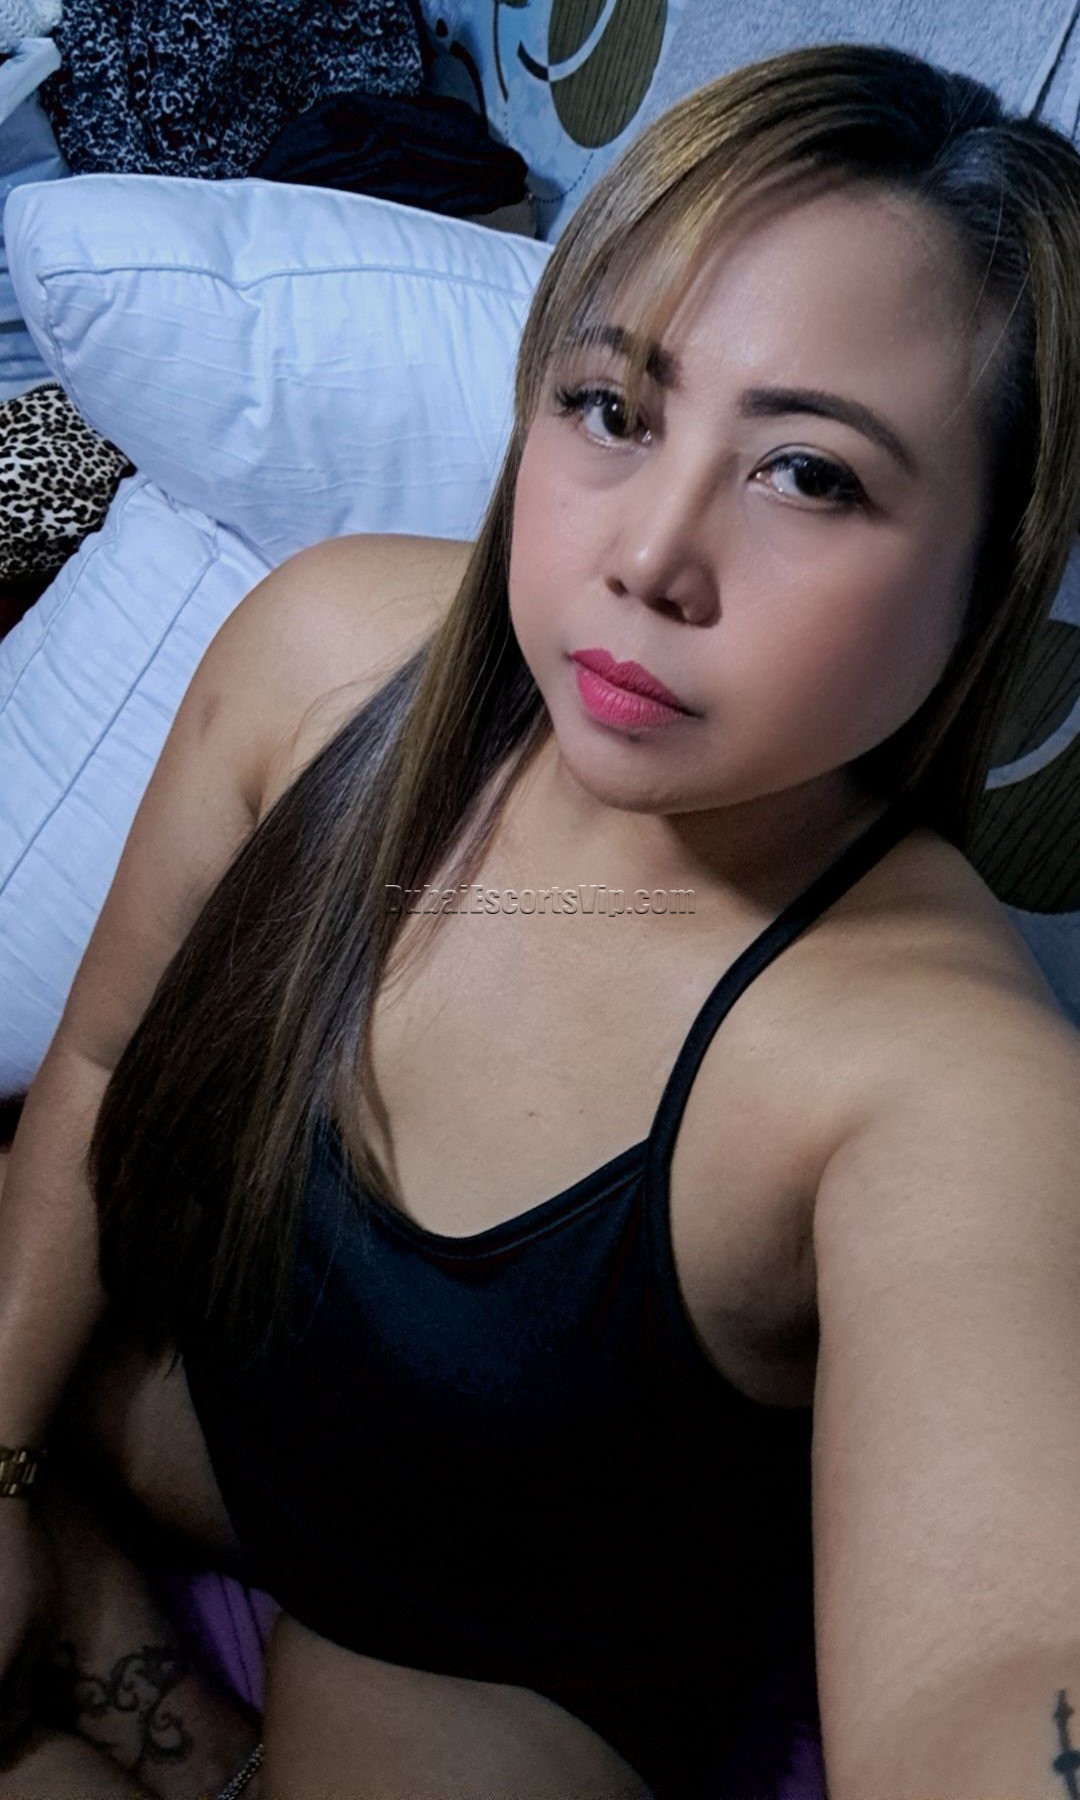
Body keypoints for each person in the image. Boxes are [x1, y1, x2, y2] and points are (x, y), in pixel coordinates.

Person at [2, 36, 1080, 1800]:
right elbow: (109, 1060)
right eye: (614, 409)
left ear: (985, 571)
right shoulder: (323, 655)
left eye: (810, 474)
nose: (650, 555)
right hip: (198, 1414)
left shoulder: (945, 1076)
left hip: (479, 1643)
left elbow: (1001, 1659)